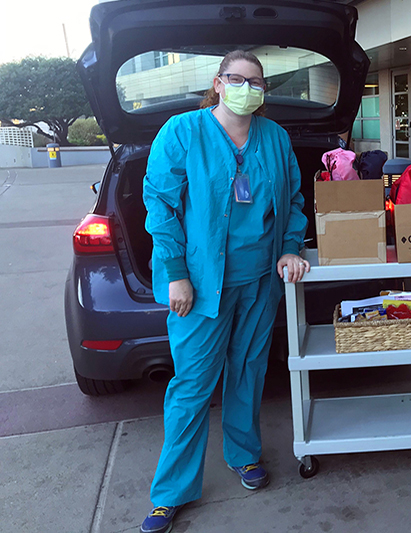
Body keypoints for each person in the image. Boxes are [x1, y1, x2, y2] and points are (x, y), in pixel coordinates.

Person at [139, 50, 310, 533]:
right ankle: (170, 492)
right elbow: (160, 205)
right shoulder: (182, 132)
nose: (247, 88)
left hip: (259, 280)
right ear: (218, 83)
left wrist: (290, 248)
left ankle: (244, 454)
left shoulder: (274, 137)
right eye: (237, 79)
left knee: (249, 371)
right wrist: (175, 272)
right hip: (200, 287)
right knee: (192, 387)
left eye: (256, 82)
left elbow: (293, 201)